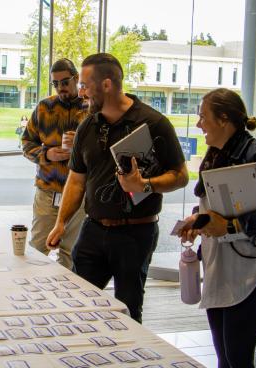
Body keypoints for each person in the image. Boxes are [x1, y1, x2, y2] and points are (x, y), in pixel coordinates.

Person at [46, 53, 188, 323]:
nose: (81, 92)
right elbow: (77, 180)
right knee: (78, 307)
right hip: (93, 230)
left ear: (107, 85)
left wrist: (145, 184)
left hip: (136, 235)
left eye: (86, 85)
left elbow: (180, 176)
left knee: (129, 312)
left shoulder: (154, 123)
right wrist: (61, 222)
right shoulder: (88, 125)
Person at [176, 88, 256, 367]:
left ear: (224, 119)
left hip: (253, 269)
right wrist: (197, 220)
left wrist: (231, 225)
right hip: (221, 265)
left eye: (203, 117)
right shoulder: (215, 153)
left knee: (237, 356)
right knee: (225, 357)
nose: (198, 124)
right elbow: (213, 205)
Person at [22, 58, 88, 270]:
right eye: (56, 83)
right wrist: (47, 154)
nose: (61, 87)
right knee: (37, 248)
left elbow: (102, 149)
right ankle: (29, 295)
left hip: (79, 196)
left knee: (71, 251)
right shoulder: (44, 107)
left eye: (65, 82)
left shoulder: (91, 109)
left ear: (77, 79)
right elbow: (26, 143)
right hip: (47, 191)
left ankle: (67, 298)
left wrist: (78, 145)